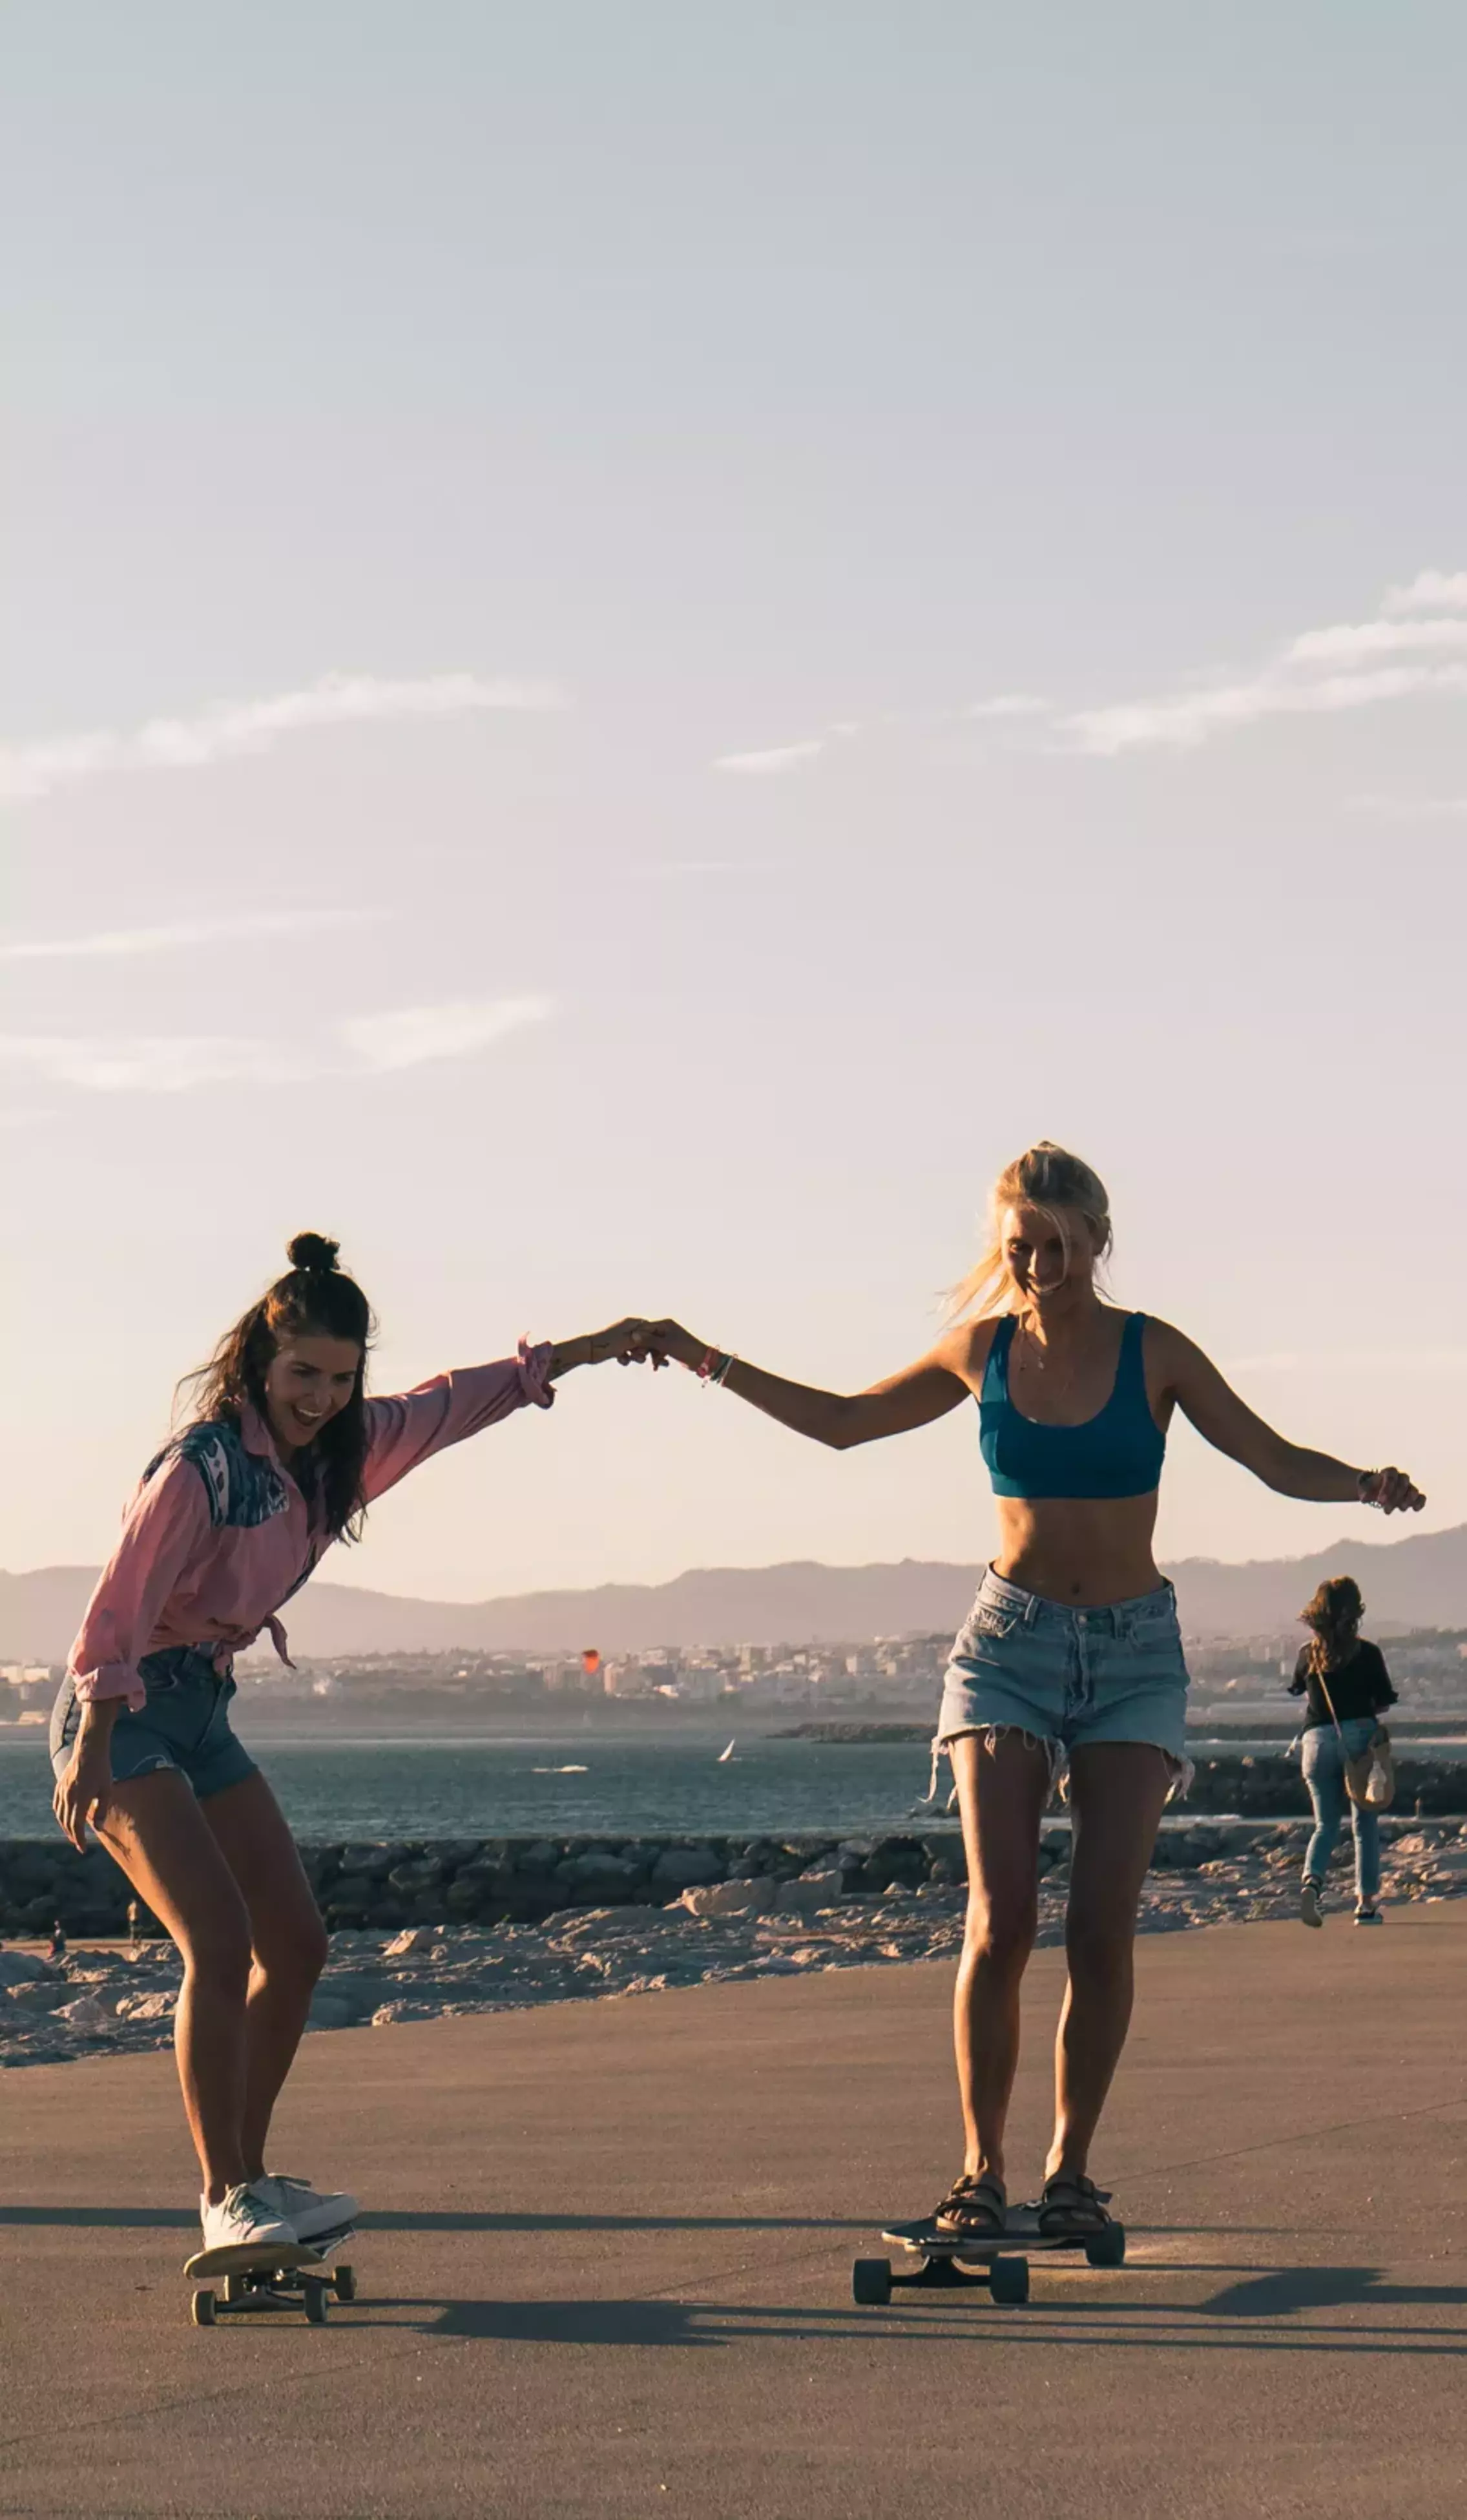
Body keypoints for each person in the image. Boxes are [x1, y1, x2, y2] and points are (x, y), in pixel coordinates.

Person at [627, 1142, 1424, 2245]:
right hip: (1007, 1646)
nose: (1040, 1265)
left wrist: (1362, 1484)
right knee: (999, 1920)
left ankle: (1071, 2174)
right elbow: (845, 1421)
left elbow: (1272, 1459)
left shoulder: (1156, 1353)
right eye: (1021, 1248)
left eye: (1058, 1245)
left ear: (1098, 1240)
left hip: (1135, 1657)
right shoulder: (980, 1350)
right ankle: (975, 2174)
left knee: (1101, 1932)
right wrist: (705, 1358)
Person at [50, 1233, 643, 2268]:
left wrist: (593, 1347)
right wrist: (91, 1746)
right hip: (129, 1709)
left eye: (338, 1376)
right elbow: (118, 1606)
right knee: (218, 1942)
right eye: (300, 1376)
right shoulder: (204, 1467)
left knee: (298, 1945)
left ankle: (253, 2175)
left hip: (203, 1711)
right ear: (258, 1364)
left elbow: (460, 1399)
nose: (320, 1396)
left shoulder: (345, 1450)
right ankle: (223, 2192)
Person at [1289, 1576, 1397, 1928]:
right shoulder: (1367, 1654)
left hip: (1315, 1743)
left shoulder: (1308, 1654)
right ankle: (1365, 1906)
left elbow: (1300, 1692)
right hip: (1358, 1743)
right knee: (1365, 1824)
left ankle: (1312, 1883)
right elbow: (1383, 1704)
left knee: (1325, 1825)